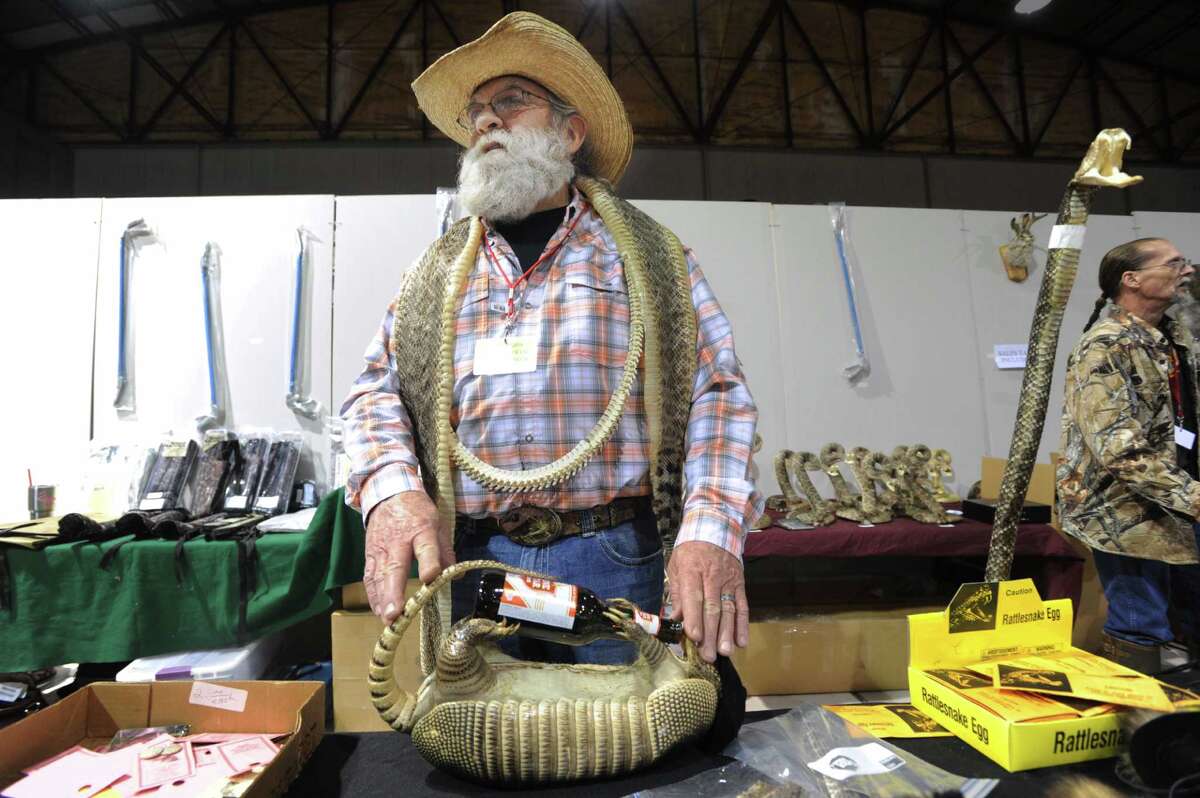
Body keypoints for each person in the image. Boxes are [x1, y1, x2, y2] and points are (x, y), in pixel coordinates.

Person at [340, 12, 762, 665]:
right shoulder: (435, 274)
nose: (485, 121)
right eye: (477, 111)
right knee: (493, 746)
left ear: (570, 132)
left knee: (635, 737)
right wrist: (394, 494)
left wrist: (708, 532)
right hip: (479, 563)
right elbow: (373, 394)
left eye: (510, 102)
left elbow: (718, 395)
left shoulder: (650, 259)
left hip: (618, 560)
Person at [1058, 237, 1200, 673]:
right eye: (1174, 263)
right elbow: (1117, 447)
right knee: (1143, 627)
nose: (1187, 271)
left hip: (1178, 502)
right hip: (1127, 513)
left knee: (1187, 624)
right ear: (1132, 279)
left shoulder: (1172, 339)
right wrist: (1192, 496)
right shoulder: (1104, 345)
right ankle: (1137, 728)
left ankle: (1178, 729)